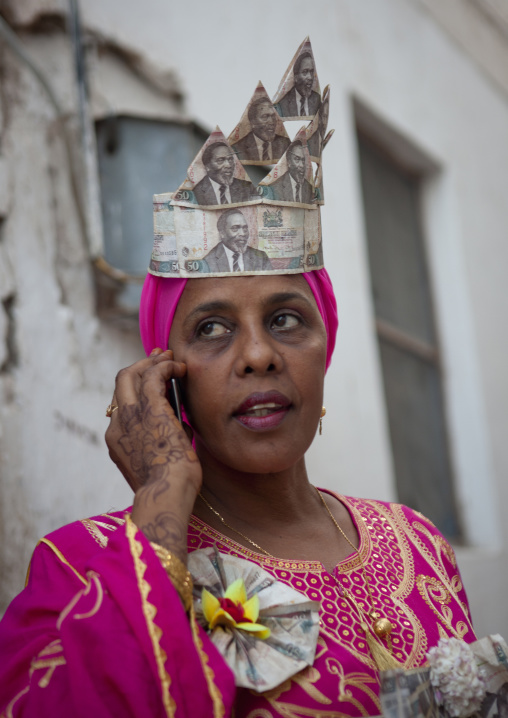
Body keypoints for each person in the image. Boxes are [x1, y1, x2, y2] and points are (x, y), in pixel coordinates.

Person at [0, 265, 477, 716]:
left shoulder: (416, 540)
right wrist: (164, 491)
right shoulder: (80, 564)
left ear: (325, 349)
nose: (258, 355)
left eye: (285, 320)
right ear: (165, 380)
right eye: (211, 329)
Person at [203, 208, 272, 273]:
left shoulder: (261, 258)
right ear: (222, 233)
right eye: (235, 228)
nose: (242, 233)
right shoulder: (208, 261)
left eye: (245, 228)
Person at [192, 141, 255, 205]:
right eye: (220, 160)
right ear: (207, 166)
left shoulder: (247, 188)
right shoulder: (195, 193)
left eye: (230, 159)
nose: (228, 165)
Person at [231, 98, 290, 162]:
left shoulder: (285, 144)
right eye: (265, 116)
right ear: (253, 122)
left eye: (273, 116)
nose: (271, 122)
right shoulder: (238, 149)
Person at [276, 51, 321, 117]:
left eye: (311, 72)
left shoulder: (317, 99)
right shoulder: (283, 103)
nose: (310, 77)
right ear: (296, 77)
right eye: (305, 72)